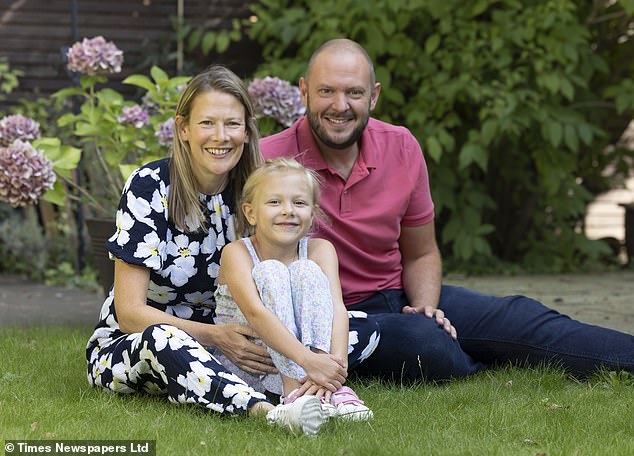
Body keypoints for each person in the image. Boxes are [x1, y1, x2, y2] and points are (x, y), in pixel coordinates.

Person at [260, 38, 634, 381]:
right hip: (332, 315)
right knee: (424, 344)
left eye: (353, 93)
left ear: (373, 97)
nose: (340, 106)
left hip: (399, 295)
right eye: (327, 91)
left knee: (522, 315)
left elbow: (421, 251)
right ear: (305, 91)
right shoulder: (268, 159)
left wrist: (425, 307)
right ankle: (480, 356)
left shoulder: (401, 146)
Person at [85, 65, 329, 435]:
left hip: (239, 332)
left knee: (347, 324)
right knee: (163, 341)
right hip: (145, 339)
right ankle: (268, 410)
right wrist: (216, 337)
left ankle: (320, 386)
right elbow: (130, 313)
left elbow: (284, 276)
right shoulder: (150, 188)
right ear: (183, 128)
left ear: (247, 131)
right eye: (207, 124)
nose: (221, 136)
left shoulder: (256, 192)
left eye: (232, 124)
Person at [213, 157, 373, 420]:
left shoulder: (320, 250)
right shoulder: (237, 253)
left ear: (312, 214)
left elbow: (337, 309)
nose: (288, 210)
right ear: (251, 212)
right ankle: (294, 393)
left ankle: (326, 390)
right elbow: (256, 314)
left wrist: (334, 368)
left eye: (299, 203)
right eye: (274, 202)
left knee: (306, 271)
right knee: (271, 270)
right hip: (256, 362)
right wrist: (307, 362)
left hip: (314, 362)